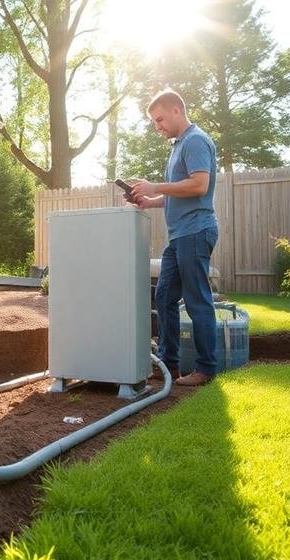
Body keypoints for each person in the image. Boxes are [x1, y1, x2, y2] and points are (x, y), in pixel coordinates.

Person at [129, 89, 218, 386]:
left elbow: (199, 186)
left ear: (177, 111)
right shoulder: (178, 146)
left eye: (160, 119)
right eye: (155, 122)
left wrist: (156, 185)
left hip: (195, 231)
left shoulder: (195, 141)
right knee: (165, 295)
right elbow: (177, 195)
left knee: (196, 300)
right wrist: (150, 201)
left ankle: (206, 369)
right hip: (180, 235)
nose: (158, 126)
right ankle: (169, 363)